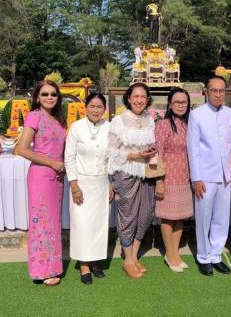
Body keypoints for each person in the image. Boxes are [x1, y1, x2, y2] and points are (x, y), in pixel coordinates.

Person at [18, 80, 66, 286]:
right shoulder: (34, 116)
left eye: (53, 94)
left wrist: (62, 167)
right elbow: (21, 149)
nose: (49, 97)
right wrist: (51, 163)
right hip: (40, 177)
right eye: (45, 94)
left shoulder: (58, 120)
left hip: (56, 178)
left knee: (53, 223)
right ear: (37, 97)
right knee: (42, 223)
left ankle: (53, 266)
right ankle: (41, 270)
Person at [107, 83, 157, 279]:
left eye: (143, 96)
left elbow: (153, 145)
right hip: (126, 173)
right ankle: (127, 259)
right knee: (128, 216)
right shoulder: (119, 121)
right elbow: (111, 151)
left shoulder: (150, 120)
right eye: (135, 96)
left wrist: (151, 152)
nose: (139, 100)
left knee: (145, 214)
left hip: (147, 173)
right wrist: (134, 155)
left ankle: (133, 256)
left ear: (147, 99)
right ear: (129, 98)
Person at [187, 76, 231, 276]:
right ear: (206, 92)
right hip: (205, 175)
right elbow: (193, 148)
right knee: (203, 217)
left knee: (222, 218)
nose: (218, 94)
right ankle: (204, 256)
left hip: (226, 174)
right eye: (214, 90)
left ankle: (216, 254)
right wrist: (196, 178)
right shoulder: (197, 114)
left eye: (221, 90)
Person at [65, 93, 112, 285]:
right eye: (92, 106)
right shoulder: (76, 127)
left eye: (99, 106)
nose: (95, 110)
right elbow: (69, 157)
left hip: (102, 183)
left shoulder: (109, 127)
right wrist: (74, 186)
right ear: (86, 108)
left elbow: (113, 157)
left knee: (99, 226)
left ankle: (95, 261)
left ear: (104, 109)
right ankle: (84, 264)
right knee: (82, 224)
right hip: (81, 184)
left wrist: (111, 183)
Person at [154, 88, 193, 273]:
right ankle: (169, 254)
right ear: (170, 104)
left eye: (184, 102)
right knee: (168, 217)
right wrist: (159, 181)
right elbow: (157, 153)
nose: (181, 105)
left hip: (184, 177)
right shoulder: (163, 124)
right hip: (168, 177)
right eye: (177, 102)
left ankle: (175, 252)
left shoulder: (188, 124)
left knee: (180, 217)